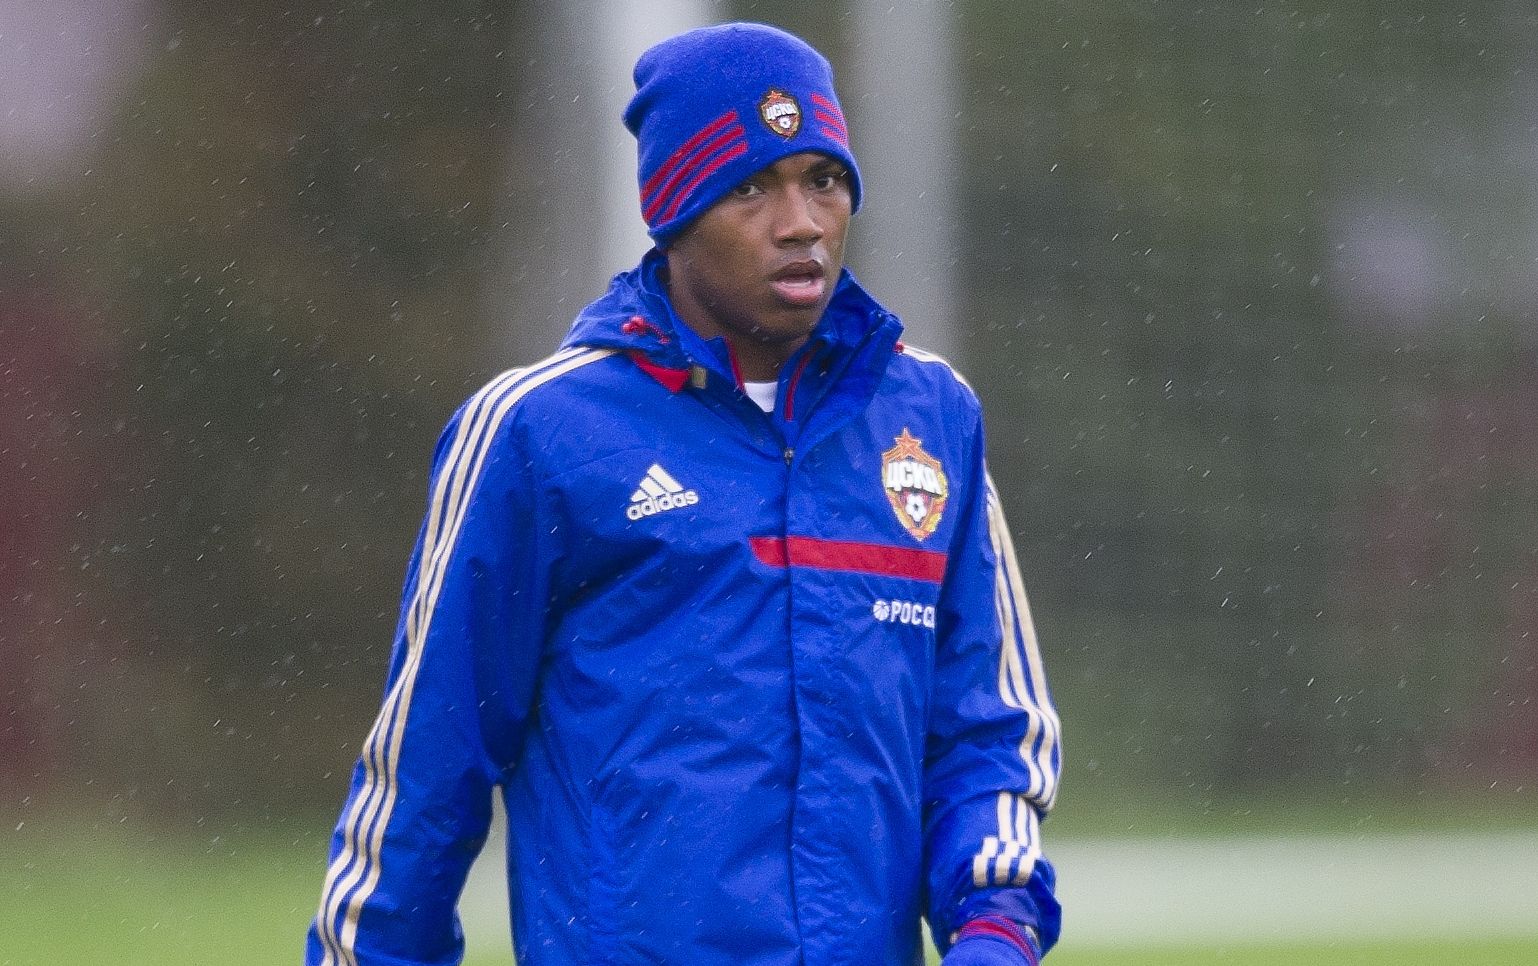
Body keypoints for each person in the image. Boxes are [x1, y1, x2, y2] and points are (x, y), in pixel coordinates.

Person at [307, 22, 1062, 966]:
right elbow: (423, 780)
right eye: (751, 188)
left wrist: (995, 927)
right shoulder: (537, 433)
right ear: (673, 213)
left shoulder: (933, 418)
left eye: (824, 179)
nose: (802, 222)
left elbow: (989, 732)